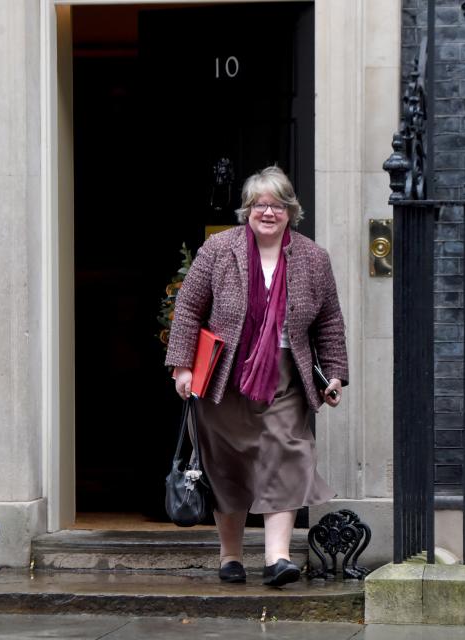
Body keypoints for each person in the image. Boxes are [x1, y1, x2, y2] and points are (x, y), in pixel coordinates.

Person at [165, 166, 348, 587]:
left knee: (286, 452)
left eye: (277, 205)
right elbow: (190, 308)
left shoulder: (312, 257)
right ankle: (230, 556)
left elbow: (329, 323)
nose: (268, 212)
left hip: (284, 374)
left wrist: (334, 374)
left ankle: (277, 557)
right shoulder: (218, 249)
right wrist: (183, 366)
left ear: (291, 211)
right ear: (247, 210)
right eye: (260, 205)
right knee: (228, 464)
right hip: (225, 374)